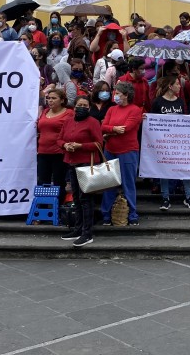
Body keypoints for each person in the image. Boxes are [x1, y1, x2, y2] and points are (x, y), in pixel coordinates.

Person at [58, 95, 104, 247]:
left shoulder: (93, 122)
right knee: (76, 198)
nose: (82, 108)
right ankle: (78, 229)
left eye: (85, 105)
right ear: (74, 106)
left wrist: (80, 146)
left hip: (86, 164)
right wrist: (65, 146)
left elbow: (99, 143)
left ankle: (87, 233)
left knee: (86, 199)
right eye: (79, 105)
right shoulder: (68, 121)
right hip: (71, 163)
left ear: (89, 108)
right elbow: (59, 139)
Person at [152, 75, 190, 211]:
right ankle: (165, 198)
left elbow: (182, 120)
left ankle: (188, 196)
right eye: (177, 84)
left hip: (179, 142)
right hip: (164, 143)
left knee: (185, 168)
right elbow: (153, 121)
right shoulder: (157, 102)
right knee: (164, 170)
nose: (180, 86)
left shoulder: (180, 102)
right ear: (170, 86)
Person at [100, 82, 143, 226]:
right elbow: (103, 126)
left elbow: (126, 128)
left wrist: (110, 130)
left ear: (126, 95)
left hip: (128, 151)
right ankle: (106, 214)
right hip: (110, 150)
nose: (115, 95)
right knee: (108, 183)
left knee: (128, 183)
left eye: (118, 93)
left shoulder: (135, 110)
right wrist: (113, 129)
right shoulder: (112, 109)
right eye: (115, 93)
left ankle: (132, 214)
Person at [36, 89, 72, 194]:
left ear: (62, 100)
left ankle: (58, 206)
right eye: (48, 98)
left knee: (59, 182)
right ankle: (44, 207)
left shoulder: (69, 113)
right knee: (42, 182)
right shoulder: (45, 112)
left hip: (59, 153)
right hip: (43, 152)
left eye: (54, 98)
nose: (50, 100)